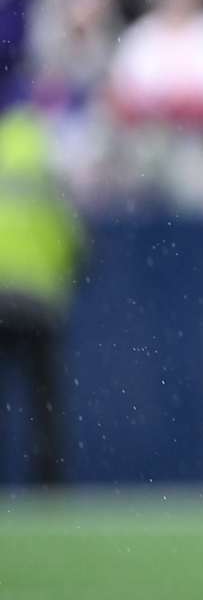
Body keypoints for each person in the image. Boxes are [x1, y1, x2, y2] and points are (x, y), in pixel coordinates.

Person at [0, 106, 84, 485]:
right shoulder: (48, 159)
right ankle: (48, 484)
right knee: (44, 400)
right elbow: (71, 232)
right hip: (38, 299)